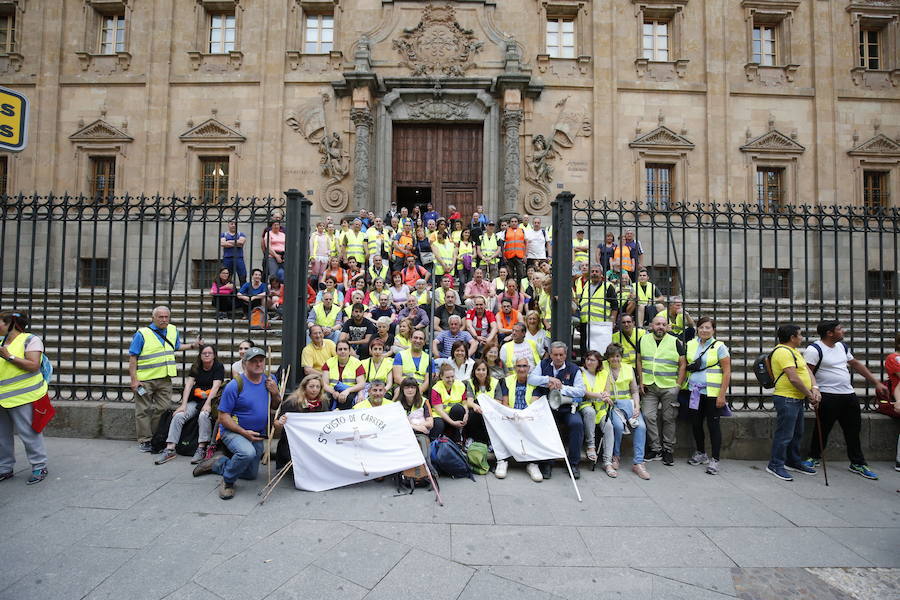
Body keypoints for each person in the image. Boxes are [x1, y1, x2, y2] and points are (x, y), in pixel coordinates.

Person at [799, 320, 885, 480]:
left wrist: (876, 382)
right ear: (829, 333)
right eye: (840, 329)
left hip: (848, 395)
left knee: (853, 430)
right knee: (822, 429)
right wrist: (813, 392)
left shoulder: (842, 347)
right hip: (827, 394)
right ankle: (814, 457)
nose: (843, 331)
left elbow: (855, 364)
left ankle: (858, 462)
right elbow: (807, 373)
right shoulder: (814, 349)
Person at [192, 347, 281, 500]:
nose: (258, 364)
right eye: (254, 361)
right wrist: (244, 433)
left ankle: (218, 464)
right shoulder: (235, 385)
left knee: (251, 474)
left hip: (257, 433)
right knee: (247, 453)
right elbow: (223, 417)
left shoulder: (269, 380)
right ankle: (227, 481)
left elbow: (275, 405)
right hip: (233, 431)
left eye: (261, 361)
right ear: (245, 364)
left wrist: (275, 393)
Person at [128, 306, 201, 452]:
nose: (164, 319)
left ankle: (156, 437)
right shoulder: (142, 333)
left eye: (166, 317)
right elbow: (133, 357)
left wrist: (193, 345)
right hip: (145, 380)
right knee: (143, 410)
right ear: (153, 318)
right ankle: (145, 440)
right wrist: (134, 380)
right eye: (160, 317)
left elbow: (176, 346)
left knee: (164, 408)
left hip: (165, 379)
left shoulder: (173, 330)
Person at [766, 324, 821, 481]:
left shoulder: (794, 351)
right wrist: (810, 394)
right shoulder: (782, 352)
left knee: (796, 433)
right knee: (784, 434)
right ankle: (775, 464)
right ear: (792, 337)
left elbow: (806, 371)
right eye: (800, 335)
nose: (802, 337)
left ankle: (793, 460)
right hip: (786, 397)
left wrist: (815, 387)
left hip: (797, 398)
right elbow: (793, 377)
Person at [0, 311, 50, 484]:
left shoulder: (30, 340)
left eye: (0, 322)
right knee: (1, 435)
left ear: (10, 324)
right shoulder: (1, 341)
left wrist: (9, 357)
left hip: (23, 396)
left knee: (28, 433)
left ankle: (39, 466)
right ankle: (4, 468)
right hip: (2, 397)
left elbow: (34, 365)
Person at [154, 344, 223, 465]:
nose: (207, 355)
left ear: (214, 355)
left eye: (209, 353)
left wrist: (207, 404)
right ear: (200, 355)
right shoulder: (196, 366)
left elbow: (216, 387)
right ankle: (170, 448)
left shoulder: (218, 367)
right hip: (195, 399)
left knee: (203, 416)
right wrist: (183, 404)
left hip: (209, 400)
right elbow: (189, 385)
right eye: (204, 353)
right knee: (179, 416)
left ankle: (201, 448)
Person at [528, 342, 586, 479]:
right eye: (555, 355)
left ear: (565, 355)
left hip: (567, 407)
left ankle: (573, 464)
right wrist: (548, 379)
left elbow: (581, 391)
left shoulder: (574, 369)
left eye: (561, 355)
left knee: (577, 424)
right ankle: (547, 462)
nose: (558, 358)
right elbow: (531, 379)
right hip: (549, 406)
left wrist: (562, 388)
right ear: (551, 354)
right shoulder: (544, 364)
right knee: (548, 424)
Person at [636, 315, 687, 465]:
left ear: (667, 327)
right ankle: (656, 448)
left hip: (669, 386)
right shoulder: (643, 340)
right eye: (658, 324)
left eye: (664, 324)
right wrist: (641, 380)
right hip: (649, 386)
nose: (660, 327)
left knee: (669, 418)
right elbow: (639, 360)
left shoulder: (675, 341)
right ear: (651, 325)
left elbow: (683, 364)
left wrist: (677, 385)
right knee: (648, 416)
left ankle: (668, 450)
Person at [684, 318, 731, 475]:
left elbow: (727, 372)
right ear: (697, 329)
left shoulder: (719, 346)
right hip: (694, 390)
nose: (704, 330)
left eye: (708, 328)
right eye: (701, 327)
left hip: (712, 392)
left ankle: (715, 459)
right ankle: (700, 453)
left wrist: (722, 395)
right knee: (696, 423)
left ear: (713, 330)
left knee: (713, 426)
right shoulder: (691, 344)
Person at [605, 344, 649, 480]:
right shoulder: (603, 367)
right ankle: (616, 456)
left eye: (617, 356)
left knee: (641, 427)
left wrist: (637, 406)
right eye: (612, 356)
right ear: (608, 357)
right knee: (617, 427)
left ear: (621, 357)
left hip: (629, 404)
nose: (615, 359)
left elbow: (635, 391)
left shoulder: (628, 368)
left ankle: (638, 463)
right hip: (613, 405)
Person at [498, 357, 545, 482]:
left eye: (524, 366)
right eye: (519, 366)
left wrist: (523, 416)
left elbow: (534, 404)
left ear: (529, 368)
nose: (522, 369)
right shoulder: (507, 381)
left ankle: (533, 464)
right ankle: (502, 460)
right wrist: (514, 414)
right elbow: (505, 402)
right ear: (515, 368)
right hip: (511, 414)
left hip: (528, 415)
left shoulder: (534, 382)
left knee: (533, 427)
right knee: (501, 425)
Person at [273, 374, 329, 470]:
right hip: (292, 443)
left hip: (314, 440)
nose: (314, 389)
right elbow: (276, 424)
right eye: (311, 386)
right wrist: (280, 422)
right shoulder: (292, 403)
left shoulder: (323, 402)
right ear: (304, 387)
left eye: (317, 387)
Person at [578, 350, 616, 477]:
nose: (589, 362)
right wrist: (601, 396)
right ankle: (591, 446)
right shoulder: (580, 372)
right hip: (586, 405)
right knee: (589, 412)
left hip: (600, 408)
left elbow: (607, 391)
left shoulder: (605, 373)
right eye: (587, 359)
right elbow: (584, 392)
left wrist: (606, 396)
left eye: (592, 360)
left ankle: (607, 462)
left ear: (598, 362)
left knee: (609, 426)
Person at [578, 266, 619, 351]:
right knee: (584, 347)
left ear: (601, 274)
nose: (594, 273)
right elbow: (582, 303)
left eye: (597, 271)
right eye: (592, 271)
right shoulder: (586, 286)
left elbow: (615, 305)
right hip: (585, 322)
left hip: (600, 323)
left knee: (599, 349)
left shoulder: (608, 286)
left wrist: (612, 320)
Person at [399, 377, 434, 469]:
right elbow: (398, 425)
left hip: (420, 434)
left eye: (413, 387)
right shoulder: (397, 404)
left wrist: (413, 425)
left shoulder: (424, 401)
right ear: (402, 389)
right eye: (407, 387)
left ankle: (426, 468)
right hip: (405, 434)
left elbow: (430, 423)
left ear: (417, 389)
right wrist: (415, 426)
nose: (410, 390)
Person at [430, 363, 469, 443]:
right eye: (447, 377)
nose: (451, 380)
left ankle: (457, 441)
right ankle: (434, 444)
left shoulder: (460, 385)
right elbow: (439, 410)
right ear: (441, 377)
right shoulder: (436, 389)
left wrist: (466, 414)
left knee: (458, 409)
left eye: (452, 376)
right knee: (438, 424)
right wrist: (453, 423)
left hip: (454, 415)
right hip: (440, 415)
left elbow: (464, 402)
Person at [322, 340, 365, 410]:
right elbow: (324, 383)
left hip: (350, 391)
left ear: (349, 351)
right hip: (332, 391)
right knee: (324, 397)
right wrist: (333, 392)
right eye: (340, 349)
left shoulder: (357, 363)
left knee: (348, 398)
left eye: (345, 349)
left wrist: (347, 391)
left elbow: (361, 384)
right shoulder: (329, 362)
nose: (343, 351)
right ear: (336, 351)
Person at [393, 329, 432, 396]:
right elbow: (397, 378)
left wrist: (418, 390)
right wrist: (410, 389)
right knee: (398, 392)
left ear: (424, 342)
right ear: (410, 339)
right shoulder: (400, 355)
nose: (418, 341)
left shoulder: (429, 359)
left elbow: (427, 381)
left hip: (420, 390)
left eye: (421, 338)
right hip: (402, 387)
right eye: (415, 338)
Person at [220, 219, 247, 286]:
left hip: (239, 257)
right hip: (227, 258)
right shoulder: (224, 234)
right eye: (232, 224)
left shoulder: (241, 234)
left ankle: (243, 292)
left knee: (242, 275)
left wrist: (229, 241)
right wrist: (236, 243)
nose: (233, 225)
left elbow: (241, 242)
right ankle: (227, 291)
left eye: (235, 224)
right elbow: (223, 243)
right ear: (228, 225)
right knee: (226, 275)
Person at [502, 216, 526, 283]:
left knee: (521, 274)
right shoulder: (506, 231)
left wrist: (525, 255)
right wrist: (503, 256)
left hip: (519, 256)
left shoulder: (522, 231)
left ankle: (519, 290)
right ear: (509, 223)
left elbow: (525, 243)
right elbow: (502, 245)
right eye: (512, 222)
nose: (514, 223)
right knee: (510, 274)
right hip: (509, 256)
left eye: (515, 221)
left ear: (518, 223)